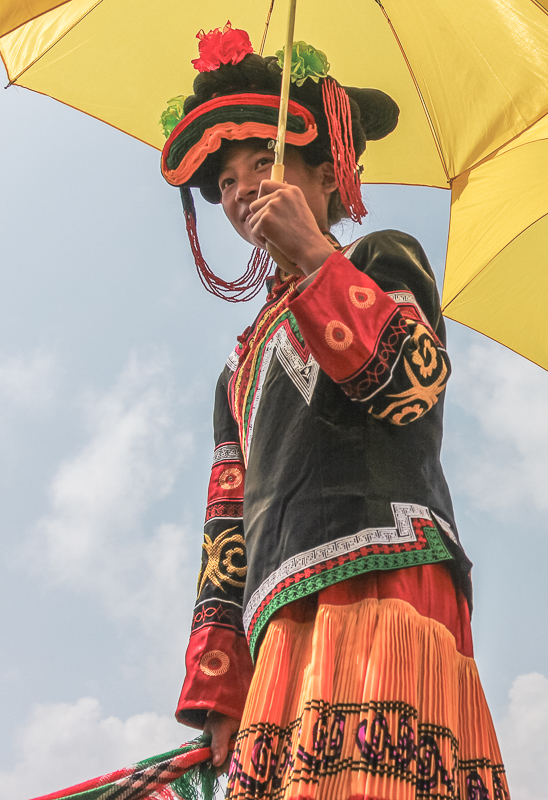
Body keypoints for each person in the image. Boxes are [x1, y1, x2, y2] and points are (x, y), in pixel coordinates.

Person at [158, 24, 508, 799]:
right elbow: (225, 533)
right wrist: (221, 689)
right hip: (279, 616)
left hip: (387, 575)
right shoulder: (238, 368)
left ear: (328, 177)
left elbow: (413, 388)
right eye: (225, 182)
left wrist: (317, 261)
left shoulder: (381, 261)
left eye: (265, 163)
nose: (243, 188)